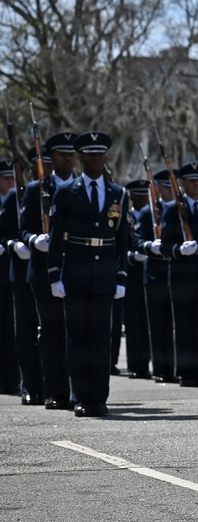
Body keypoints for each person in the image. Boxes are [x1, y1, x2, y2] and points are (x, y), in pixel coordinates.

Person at [47, 131, 130, 417]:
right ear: (81, 157)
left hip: (105, 273)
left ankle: (100, 397)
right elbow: (56, 237)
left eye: (100, 154)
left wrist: (121, 276)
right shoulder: (67, 192)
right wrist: (54, 274)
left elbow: (122, 240)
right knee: (78, 339)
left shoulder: (119, 194)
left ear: (105, 157)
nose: (96, 158)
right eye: (90, 154)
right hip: (76, 272)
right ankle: (82, 395)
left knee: (101, 339)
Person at [20, 132, 76, 410]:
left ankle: (79, 390)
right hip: (43, 270)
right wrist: (34, 241)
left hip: (77, 268)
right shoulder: (36, 189)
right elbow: (24, 229)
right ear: (50, 158)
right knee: (52, 331)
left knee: (78, 331)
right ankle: (55, 391)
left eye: (71, 153)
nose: (67, 158)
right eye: (61, 154)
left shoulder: (83, 187)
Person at [155, 161, 198, 388]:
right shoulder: (172, 210)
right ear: (183, 184)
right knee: (184, 327)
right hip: (181, 275)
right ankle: (186, 372)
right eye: (192, 181)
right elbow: (165, 246)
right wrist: (179, 250)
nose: (196, 184)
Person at [2, 151, 43, 404]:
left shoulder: (54, 195)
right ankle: (29, 384)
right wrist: (13, 245)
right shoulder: (14, 198)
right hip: (19, 272)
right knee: (25, 331)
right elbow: (4, 234)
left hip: (45, 273)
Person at [136, 169, 177, 383]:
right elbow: (137, 241)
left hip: (177, 270)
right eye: (167, 186)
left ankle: (180, 367)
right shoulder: (146, 212)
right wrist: (149, 246)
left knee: (177, 324)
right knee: (159, 324)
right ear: (158, 188)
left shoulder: (180, 209)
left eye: (173, 186)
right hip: (155, 272)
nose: (170, 190)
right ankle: (162, 368)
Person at [121, 180, 152, 379]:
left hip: (148, 273)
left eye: (144, 195)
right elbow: (118, 247)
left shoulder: (151, 216)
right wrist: (132, 257)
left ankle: (145, 363)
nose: (142, 199)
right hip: (131, 274)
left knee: (147, 322)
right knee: (133, 322)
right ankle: (134, 364)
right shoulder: (126, 217)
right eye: (138, 196)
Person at [0, 160, 21, 394]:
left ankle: (11, 378)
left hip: (10, 272)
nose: (11, 183)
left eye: (13, 178)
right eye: (6, 179)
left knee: (11, 328)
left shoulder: (17, 201)